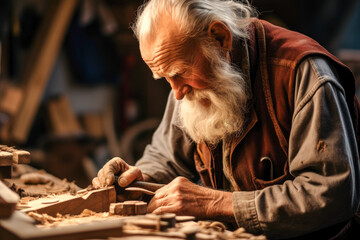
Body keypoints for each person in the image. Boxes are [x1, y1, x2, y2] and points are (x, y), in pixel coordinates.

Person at [92, 0, 360, 239]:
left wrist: (215, 203)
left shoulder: (305, 74)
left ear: (220, 38)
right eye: (165, 78)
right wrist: (138, 177)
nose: (176, 92)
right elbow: (165, 156)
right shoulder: (187, 82)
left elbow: (330, 194)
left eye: (180, 72)